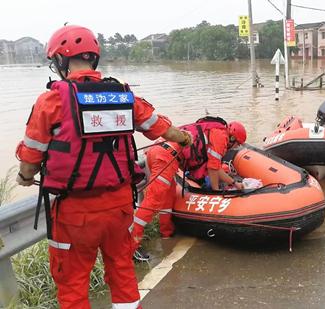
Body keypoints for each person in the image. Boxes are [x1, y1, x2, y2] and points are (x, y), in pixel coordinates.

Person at [15, 25, 192, 309]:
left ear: (61, 60)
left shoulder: (52, 99)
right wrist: (185, 137)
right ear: (93, 58)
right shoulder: (122, 95)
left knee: (72, 285)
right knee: (122, 274)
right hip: (120, 207)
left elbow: (31, 156)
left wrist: (25, 177)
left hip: (75, 214)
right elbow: (159, 127)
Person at [131, 117, 247, 261]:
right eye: (236, 145)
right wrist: (217, 193)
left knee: (169, 195)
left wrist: (234, 183)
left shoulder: (212, 131)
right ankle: (131, 245)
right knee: (153, 201)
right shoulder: (220, 135)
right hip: (166, 157)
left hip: (160, 153)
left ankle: (166, 232)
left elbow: (214, 167)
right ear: (232, 137)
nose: (233, 148)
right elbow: (213, 167)